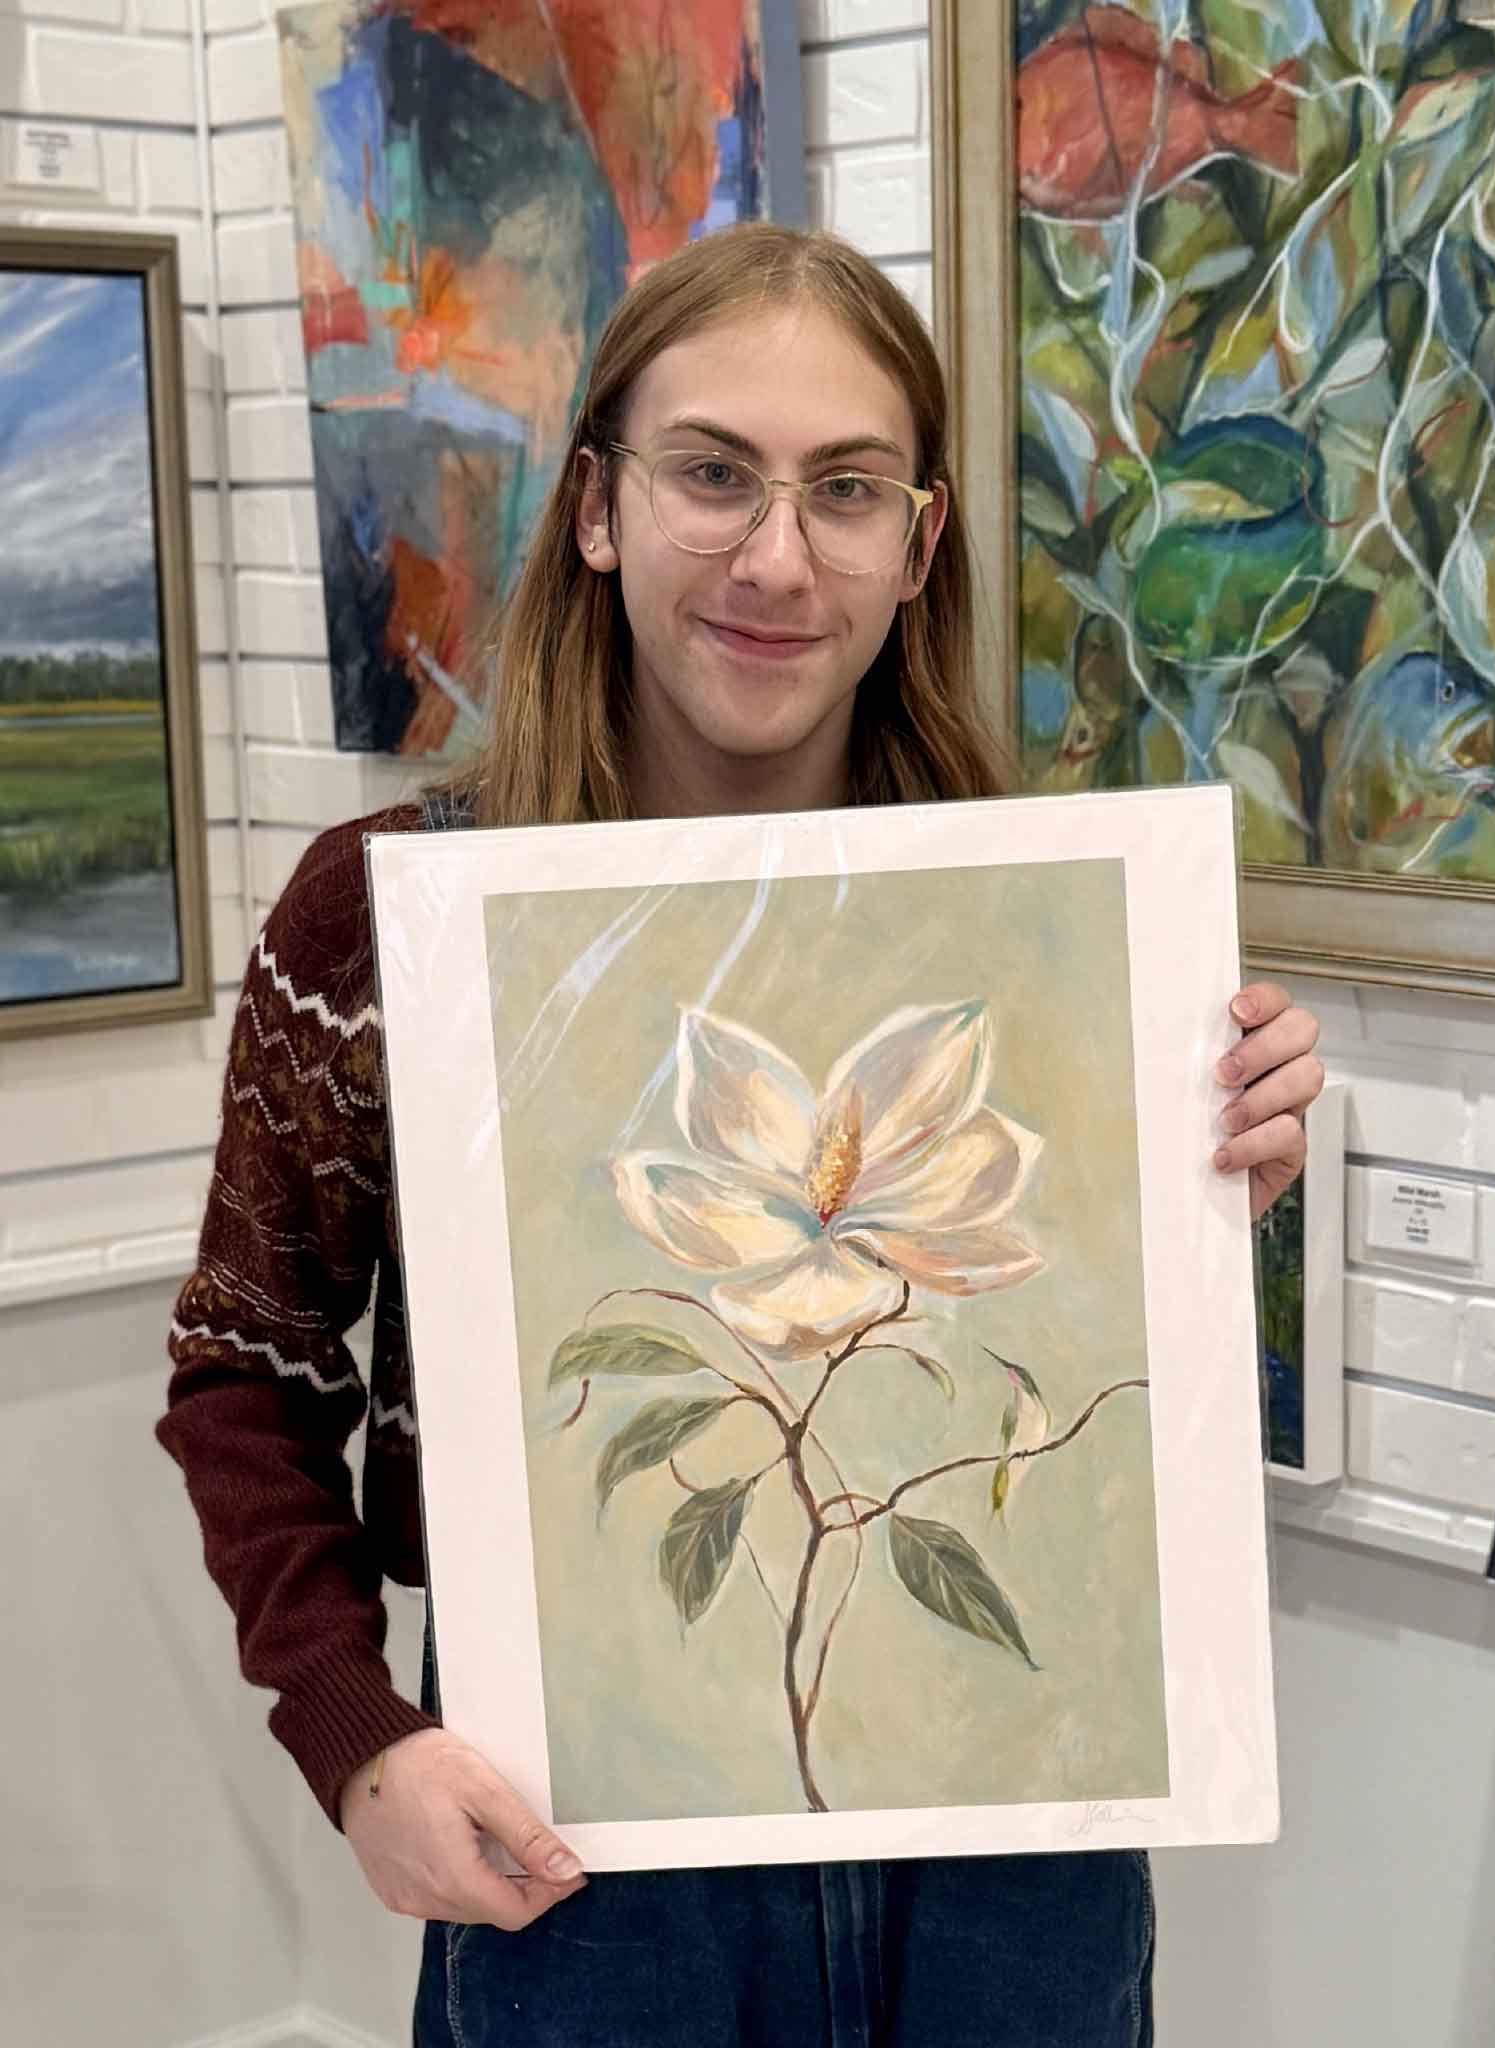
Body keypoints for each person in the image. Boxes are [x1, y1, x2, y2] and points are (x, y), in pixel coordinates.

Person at [158, 223, 1324, 2047]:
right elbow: (245, 1369)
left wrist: (1223, 1175)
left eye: (845, 489)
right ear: (604, 505)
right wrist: (349, 1731)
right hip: (584, 1856)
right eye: (714, 474)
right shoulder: (384, 916)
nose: (777, 558)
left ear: (919, 542)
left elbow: (1084, 1389)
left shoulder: (1049, 939)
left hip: (1017, 1854)